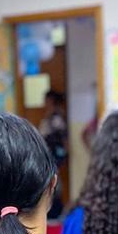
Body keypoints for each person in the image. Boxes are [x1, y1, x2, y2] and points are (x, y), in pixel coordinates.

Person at [39, 90, 68, 219]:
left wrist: (64, 154)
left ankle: (55, 210)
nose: (45, 104)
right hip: (48, 154)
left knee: (54, 183)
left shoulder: (56, 117)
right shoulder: (50, 116)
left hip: (54, 155)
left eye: (47, 101)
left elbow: (62, 137)